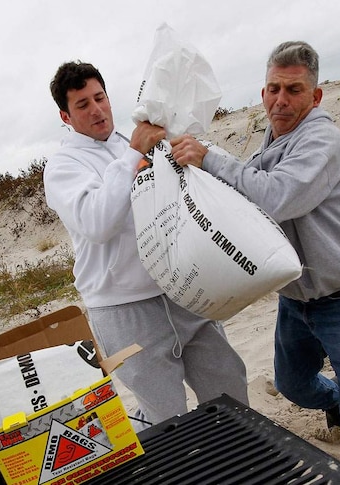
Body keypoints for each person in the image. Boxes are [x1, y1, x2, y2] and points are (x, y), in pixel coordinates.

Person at [169, 42, 340, 484]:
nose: (281, 99)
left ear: (315, 97)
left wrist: (211, 158)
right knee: (294, 384)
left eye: (293, 90)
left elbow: (278, 197)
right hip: (297, 299)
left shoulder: (322, 139)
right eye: (274, 88)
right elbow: (247, 188)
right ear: (262, 94)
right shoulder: (276, 137)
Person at [43, 60, 249, 427]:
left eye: (99, 98)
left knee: (229, 389)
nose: (96, 110)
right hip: (124, 309)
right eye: (83, 105)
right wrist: (133, 155)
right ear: (65, 115)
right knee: (168, 420)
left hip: (181, 290)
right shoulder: (63, 166)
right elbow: (97, 222)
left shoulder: (127, 144)